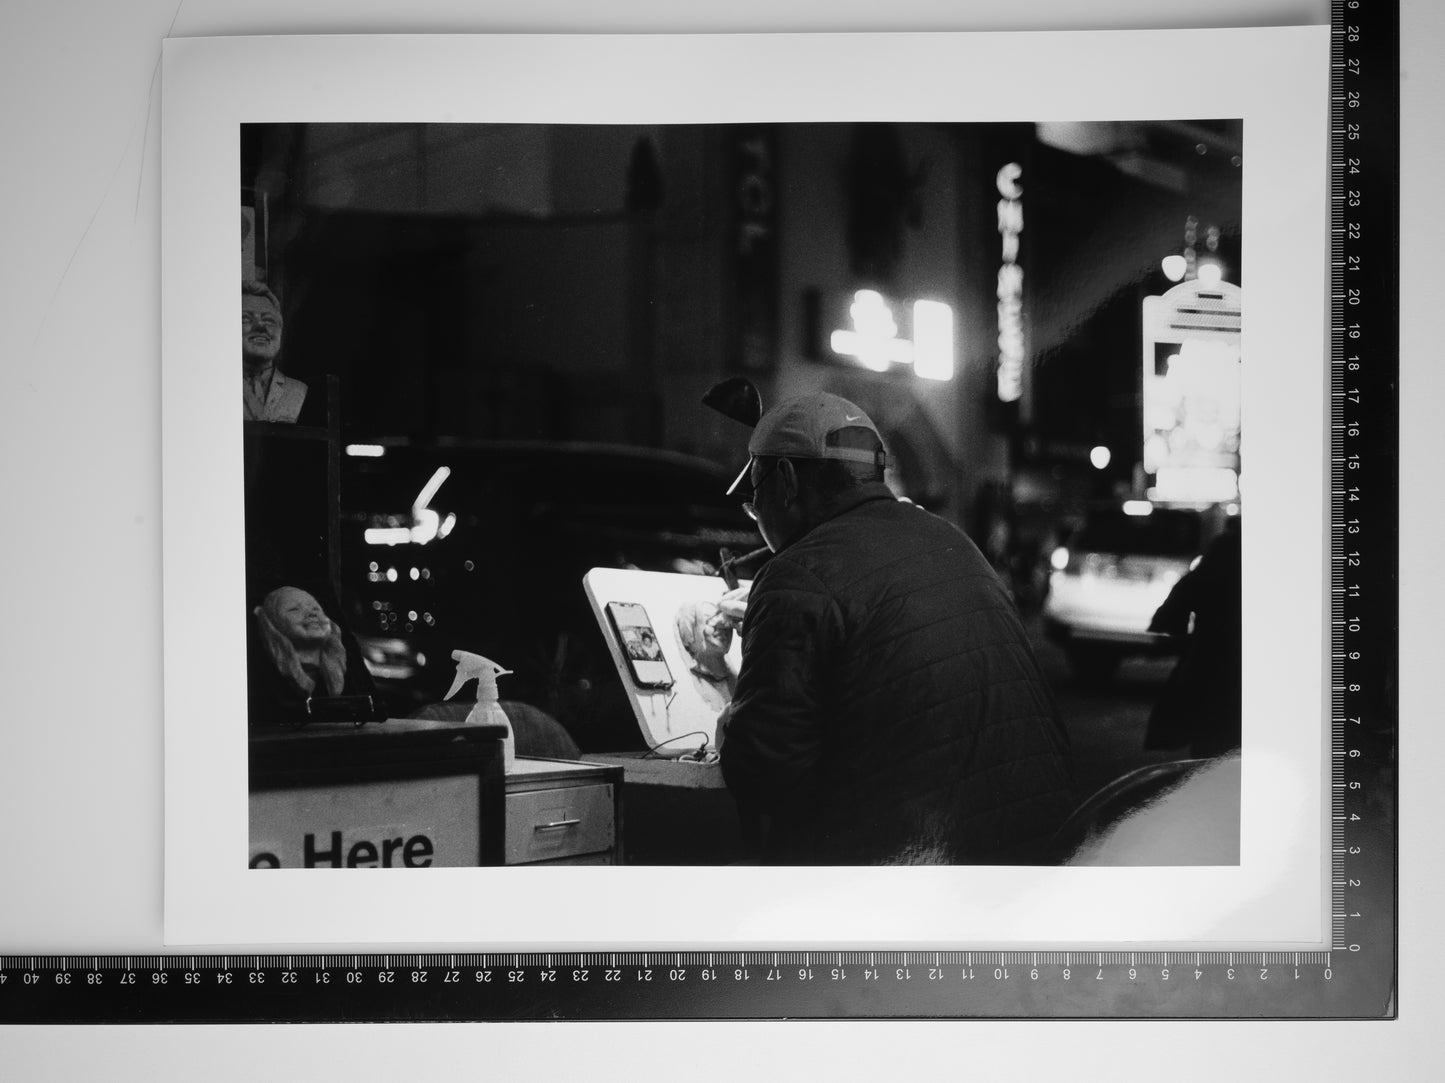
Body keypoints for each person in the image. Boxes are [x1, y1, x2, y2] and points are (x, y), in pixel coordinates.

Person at [714, 391, 1074, 865]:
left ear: (784, 480)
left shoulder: (797, 574)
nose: (756, 513)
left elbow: (764, 770)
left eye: (753, 497)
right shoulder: (950, 539)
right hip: (1038, 852)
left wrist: (728, 721)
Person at [1144, 518, 1242, 757]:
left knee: (1208, 743)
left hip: (1209, 663)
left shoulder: (1212, 566)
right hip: (1247, 667)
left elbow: (1172, 612)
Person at [248, 585, 377, 728]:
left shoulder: (340, 675)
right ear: (272, 622)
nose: (311, 614)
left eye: (315, 608)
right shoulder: (264, 677)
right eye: (294, 609)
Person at [242, 280, 309, 423]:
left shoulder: (299, 391)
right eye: (245, 318)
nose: (260, 326)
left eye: (268, 320)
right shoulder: (216, 388)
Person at [673, 599, 738, 715]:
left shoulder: (738, 683)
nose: (722, 627)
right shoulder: (689, 691)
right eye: (709, 620)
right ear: (692, 631)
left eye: (725, 622)